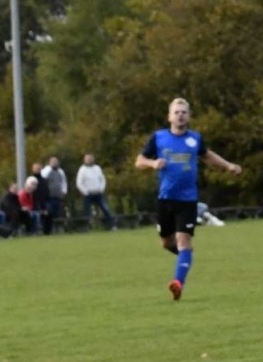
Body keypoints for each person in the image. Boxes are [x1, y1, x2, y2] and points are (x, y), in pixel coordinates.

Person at [135, 97, 242, 300]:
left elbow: (208, 156)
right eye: (177, 112)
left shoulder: (195, 139)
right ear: (169, 116)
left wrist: (228, 166)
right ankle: (185, 259)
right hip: (165, 199)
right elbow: (138, 161)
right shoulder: (158, 138)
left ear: (189, 116)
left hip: (188, 200)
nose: (180, 115)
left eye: (184, 112)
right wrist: (152, 164)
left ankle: (178, 282)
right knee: (166, 243)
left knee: (183, 241)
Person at [75, 153, 115, 229]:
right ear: (84, 160)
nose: (89, 160)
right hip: (88, 194)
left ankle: (111, 225)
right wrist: (85, 192)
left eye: (90, 158)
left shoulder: (97, 168)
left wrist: (101, 189)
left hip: (98, 193)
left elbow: (102, 179)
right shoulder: (82, 169)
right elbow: (79, 183)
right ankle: (86, 227)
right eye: (87, 159)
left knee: (105, 209)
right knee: (87, 211)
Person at [41, 156, 68, 231]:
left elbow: (64, 182)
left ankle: (58, 228)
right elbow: (43, 182)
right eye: (53, 162)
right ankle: (49, 228)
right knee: (50, 212)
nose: (55, 163)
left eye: (56, 161)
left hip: (58, 196)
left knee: (58, 212)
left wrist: (64, 191)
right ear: (49, 162)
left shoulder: (61, 171)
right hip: (49, 196)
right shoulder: (46, 171)